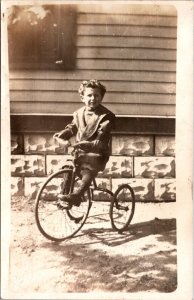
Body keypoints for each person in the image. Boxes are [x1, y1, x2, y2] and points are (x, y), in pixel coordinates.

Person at [54, 79, 116, 207]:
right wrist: (62, 135)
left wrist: (88, 143)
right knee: (67, 167)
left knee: (88, 168)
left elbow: (102, 136)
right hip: (80, 151)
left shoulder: (106, 116)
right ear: (82, 97)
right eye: (89, 95)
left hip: (97, 152)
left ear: (101, 97)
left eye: (96, 95)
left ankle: (77, 196)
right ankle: (65, 197)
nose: (93, 98)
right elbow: (72, 128)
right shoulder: (78, 113)